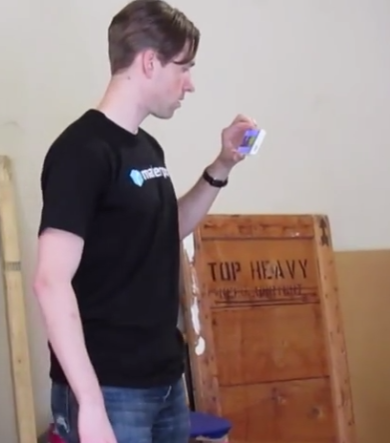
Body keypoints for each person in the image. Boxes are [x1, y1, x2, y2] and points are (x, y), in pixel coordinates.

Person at [33, 1, 257, 442]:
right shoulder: (81, 152)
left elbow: (163, 232)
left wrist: (223, 165)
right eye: (184, 67)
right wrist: (90, 404)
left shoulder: (147, 148)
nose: (190, 83)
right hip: (110, 388)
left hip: (163, 379)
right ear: (150, 62)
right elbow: (49, 282)